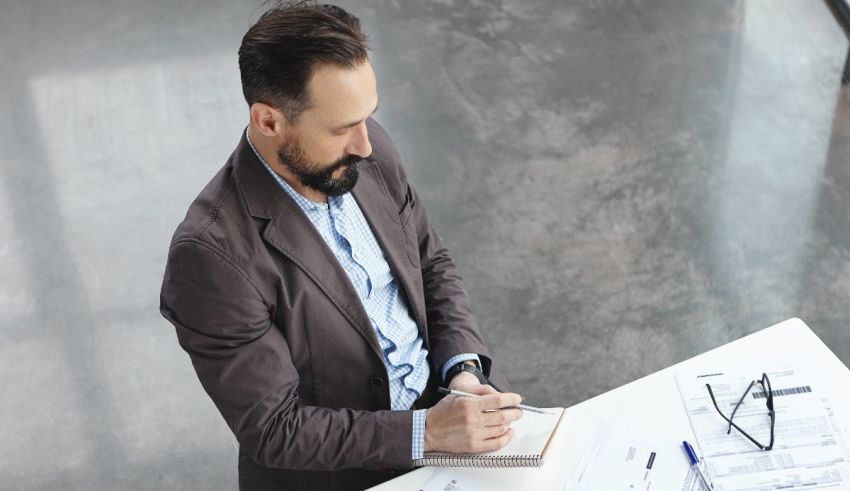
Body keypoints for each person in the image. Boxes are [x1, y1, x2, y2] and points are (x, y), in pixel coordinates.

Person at [159, 2, 523, 489]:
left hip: (451, 420)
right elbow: (276, 429)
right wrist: (426, 432)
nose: (366, 145)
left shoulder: (366, 149)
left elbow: (430, 263)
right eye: (339, 128)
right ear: (269, 121)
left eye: (366, 117)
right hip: (348, 472)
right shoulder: (209, 257)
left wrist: (461, 372)